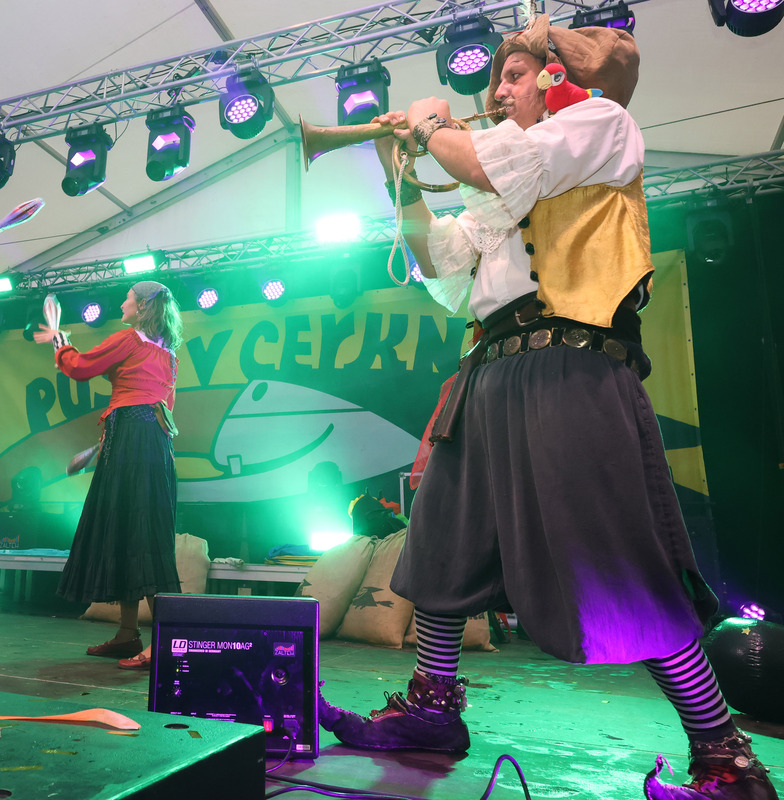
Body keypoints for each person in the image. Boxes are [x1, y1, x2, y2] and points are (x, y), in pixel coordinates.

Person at [317, 17, 779, 800]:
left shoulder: (598, 122)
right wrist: (402, 173)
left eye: (514, 74)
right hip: (490, 370)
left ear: (557, 75)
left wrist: (429, 125)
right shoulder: (499, 183)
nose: (498, 90)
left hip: (573, 364)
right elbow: (440, 261)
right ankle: (433, 709)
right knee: (438, 542)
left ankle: (724, 757)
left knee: (620, 561)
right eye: (496, 78)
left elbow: (488, 164)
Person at [35, 281, 182, 670]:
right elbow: (158, 410)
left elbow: (79, 367)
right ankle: (128, 633)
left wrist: (59, 341)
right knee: (131, 534)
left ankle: (167, 641)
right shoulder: (169, 356)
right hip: (149, 445)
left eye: (128, 299)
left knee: (141, 535)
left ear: (143, 306)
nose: (121, 304)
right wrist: (105, 444)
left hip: (131, 441)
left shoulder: (129, 340)